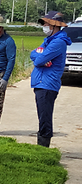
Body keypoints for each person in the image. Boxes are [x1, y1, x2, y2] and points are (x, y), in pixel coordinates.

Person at [30, 11, 71, 147]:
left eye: (47, 23)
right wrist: (40, 56)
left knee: (45, 117)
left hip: (47, 84)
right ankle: (42, 144)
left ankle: (43, 146)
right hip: (41, 82)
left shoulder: (58, 42)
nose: (45, 26)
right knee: (42, 116)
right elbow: (33, 54)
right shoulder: (48, 40)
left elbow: (38, 60)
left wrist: (40, 57)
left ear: (54, 25)